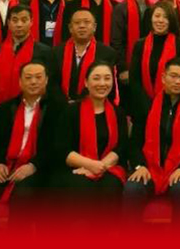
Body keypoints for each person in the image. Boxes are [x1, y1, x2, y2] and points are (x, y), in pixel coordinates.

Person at [0, 61, 61, 230]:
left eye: (38, 77)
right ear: (20, 82)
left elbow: (57, 145)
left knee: (22, 198)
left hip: (38, 168)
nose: (33, 82)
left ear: (46, 80)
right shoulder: (6, 108)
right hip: (6, 165)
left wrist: (33, 166)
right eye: (28, 77)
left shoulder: (58, 108)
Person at [124, 58, 180, 225]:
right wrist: (140, 166)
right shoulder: (147, 106)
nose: (178, 81)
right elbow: (134, 143)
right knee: (132, 188)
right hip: (149, 168)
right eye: (173, 76)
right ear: (163, 77)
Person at [52, 62, 127, 223]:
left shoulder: (118, 112)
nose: (102, 83)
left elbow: (121, 147)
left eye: (107, 78)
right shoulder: (71, 111)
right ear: (86, 82)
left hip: (108, 167)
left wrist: (100, 166)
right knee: (81, 187)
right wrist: (89, 165)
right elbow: (61, 148)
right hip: (75, 168)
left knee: (110, 186)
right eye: (96, 78)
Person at [126, 2, 180, 119]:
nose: (160, 20)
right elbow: (134, 79)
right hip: (143, 107)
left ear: (171, 20)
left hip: (171, 107)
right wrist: (148, 106)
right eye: (157, 16)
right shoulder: (140, 45)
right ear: (151, 19)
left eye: (165, 17)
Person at [0, 5, 51, 107]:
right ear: (8, 23)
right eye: (15, 20)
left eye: (24, 20)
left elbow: (50, 84)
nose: (19, 24)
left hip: (32, 108)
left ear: (31, 22)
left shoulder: (44, 51)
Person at [47, 9, 117, 102]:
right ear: (70, 28)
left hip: (93, 104)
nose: (82, 26)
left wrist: (80, 104)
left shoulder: (107, 53)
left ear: (94, 27)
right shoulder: (56, 52)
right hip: (61, 105)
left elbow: (108, 86)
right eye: (77, 23)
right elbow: (52, 83)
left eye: (86, 22)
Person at [111, 0, 152, 74]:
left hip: (149, 62)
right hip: (127, 65)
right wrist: (123, 68)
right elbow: (116, 41)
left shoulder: (154, 8)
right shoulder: (120, 8)